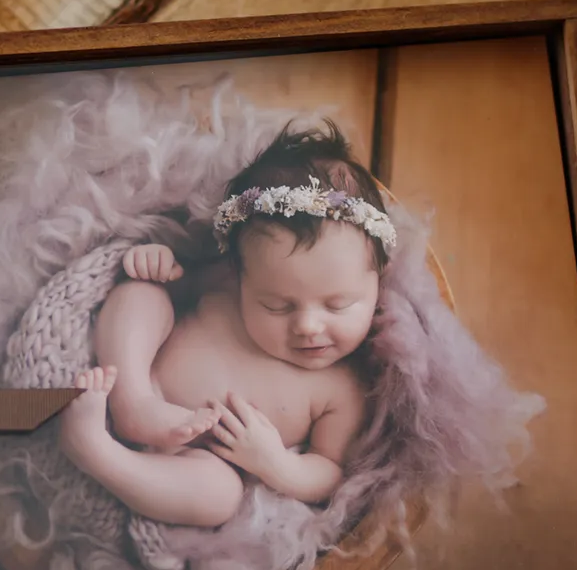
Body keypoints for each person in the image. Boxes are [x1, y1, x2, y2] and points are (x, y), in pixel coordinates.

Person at [59, 123, 397, 528]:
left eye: (338, 305)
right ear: (241, 276)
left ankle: (100, 454)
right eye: (275, 305)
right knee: (143, 293)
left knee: (220, 496)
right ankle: (133, 401)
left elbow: (328, 470)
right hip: (137, 376)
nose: (308, 325)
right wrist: (158, 264)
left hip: (190, 460)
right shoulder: (224, 284)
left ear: (378, 279)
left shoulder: (344, 387)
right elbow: (176, 286)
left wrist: (275, 465)